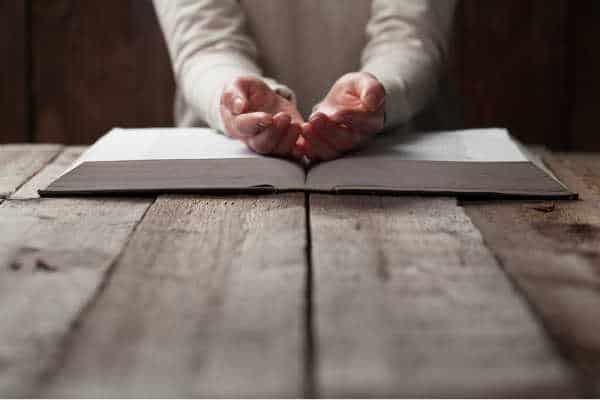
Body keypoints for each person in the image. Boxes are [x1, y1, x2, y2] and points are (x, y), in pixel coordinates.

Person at [153, 0, 457, 162]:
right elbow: (204, 43)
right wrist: (236, 100)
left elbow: (410, 35)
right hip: (224, 169)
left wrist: (377, 92)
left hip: (400, 163)